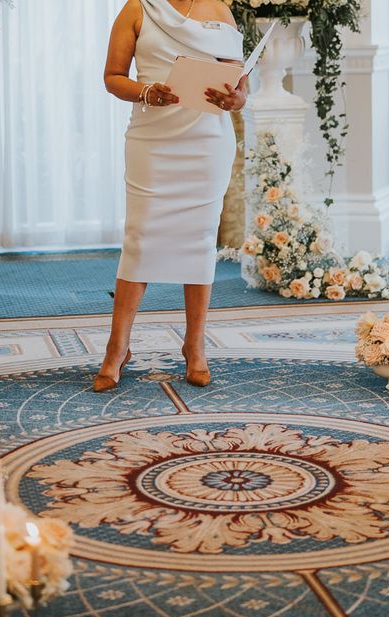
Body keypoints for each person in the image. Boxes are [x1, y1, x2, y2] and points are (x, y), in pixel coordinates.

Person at [94, 0, 247, 392]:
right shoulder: (136, 9)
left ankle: (194, 346)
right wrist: (146, 91)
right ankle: (117, 347)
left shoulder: (221, 10)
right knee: (140, 239)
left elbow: (241, 87)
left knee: (199, 241)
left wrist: (235, 101)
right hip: (154, 142)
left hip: (207, 142)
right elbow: (113, 77)